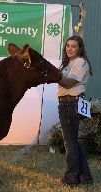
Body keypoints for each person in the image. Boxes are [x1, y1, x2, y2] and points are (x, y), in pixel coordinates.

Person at [56, 35, 93, 185]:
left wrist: (52, 75)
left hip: (71, 103)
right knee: (73, 143)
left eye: (73, 46)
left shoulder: (80, 62)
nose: (69, 48)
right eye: (68, 46)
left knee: (70, 143)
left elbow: (69, 83)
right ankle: (85, 178)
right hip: (66, 104)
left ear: (80, 48)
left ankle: (70, 179)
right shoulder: (68, 63)